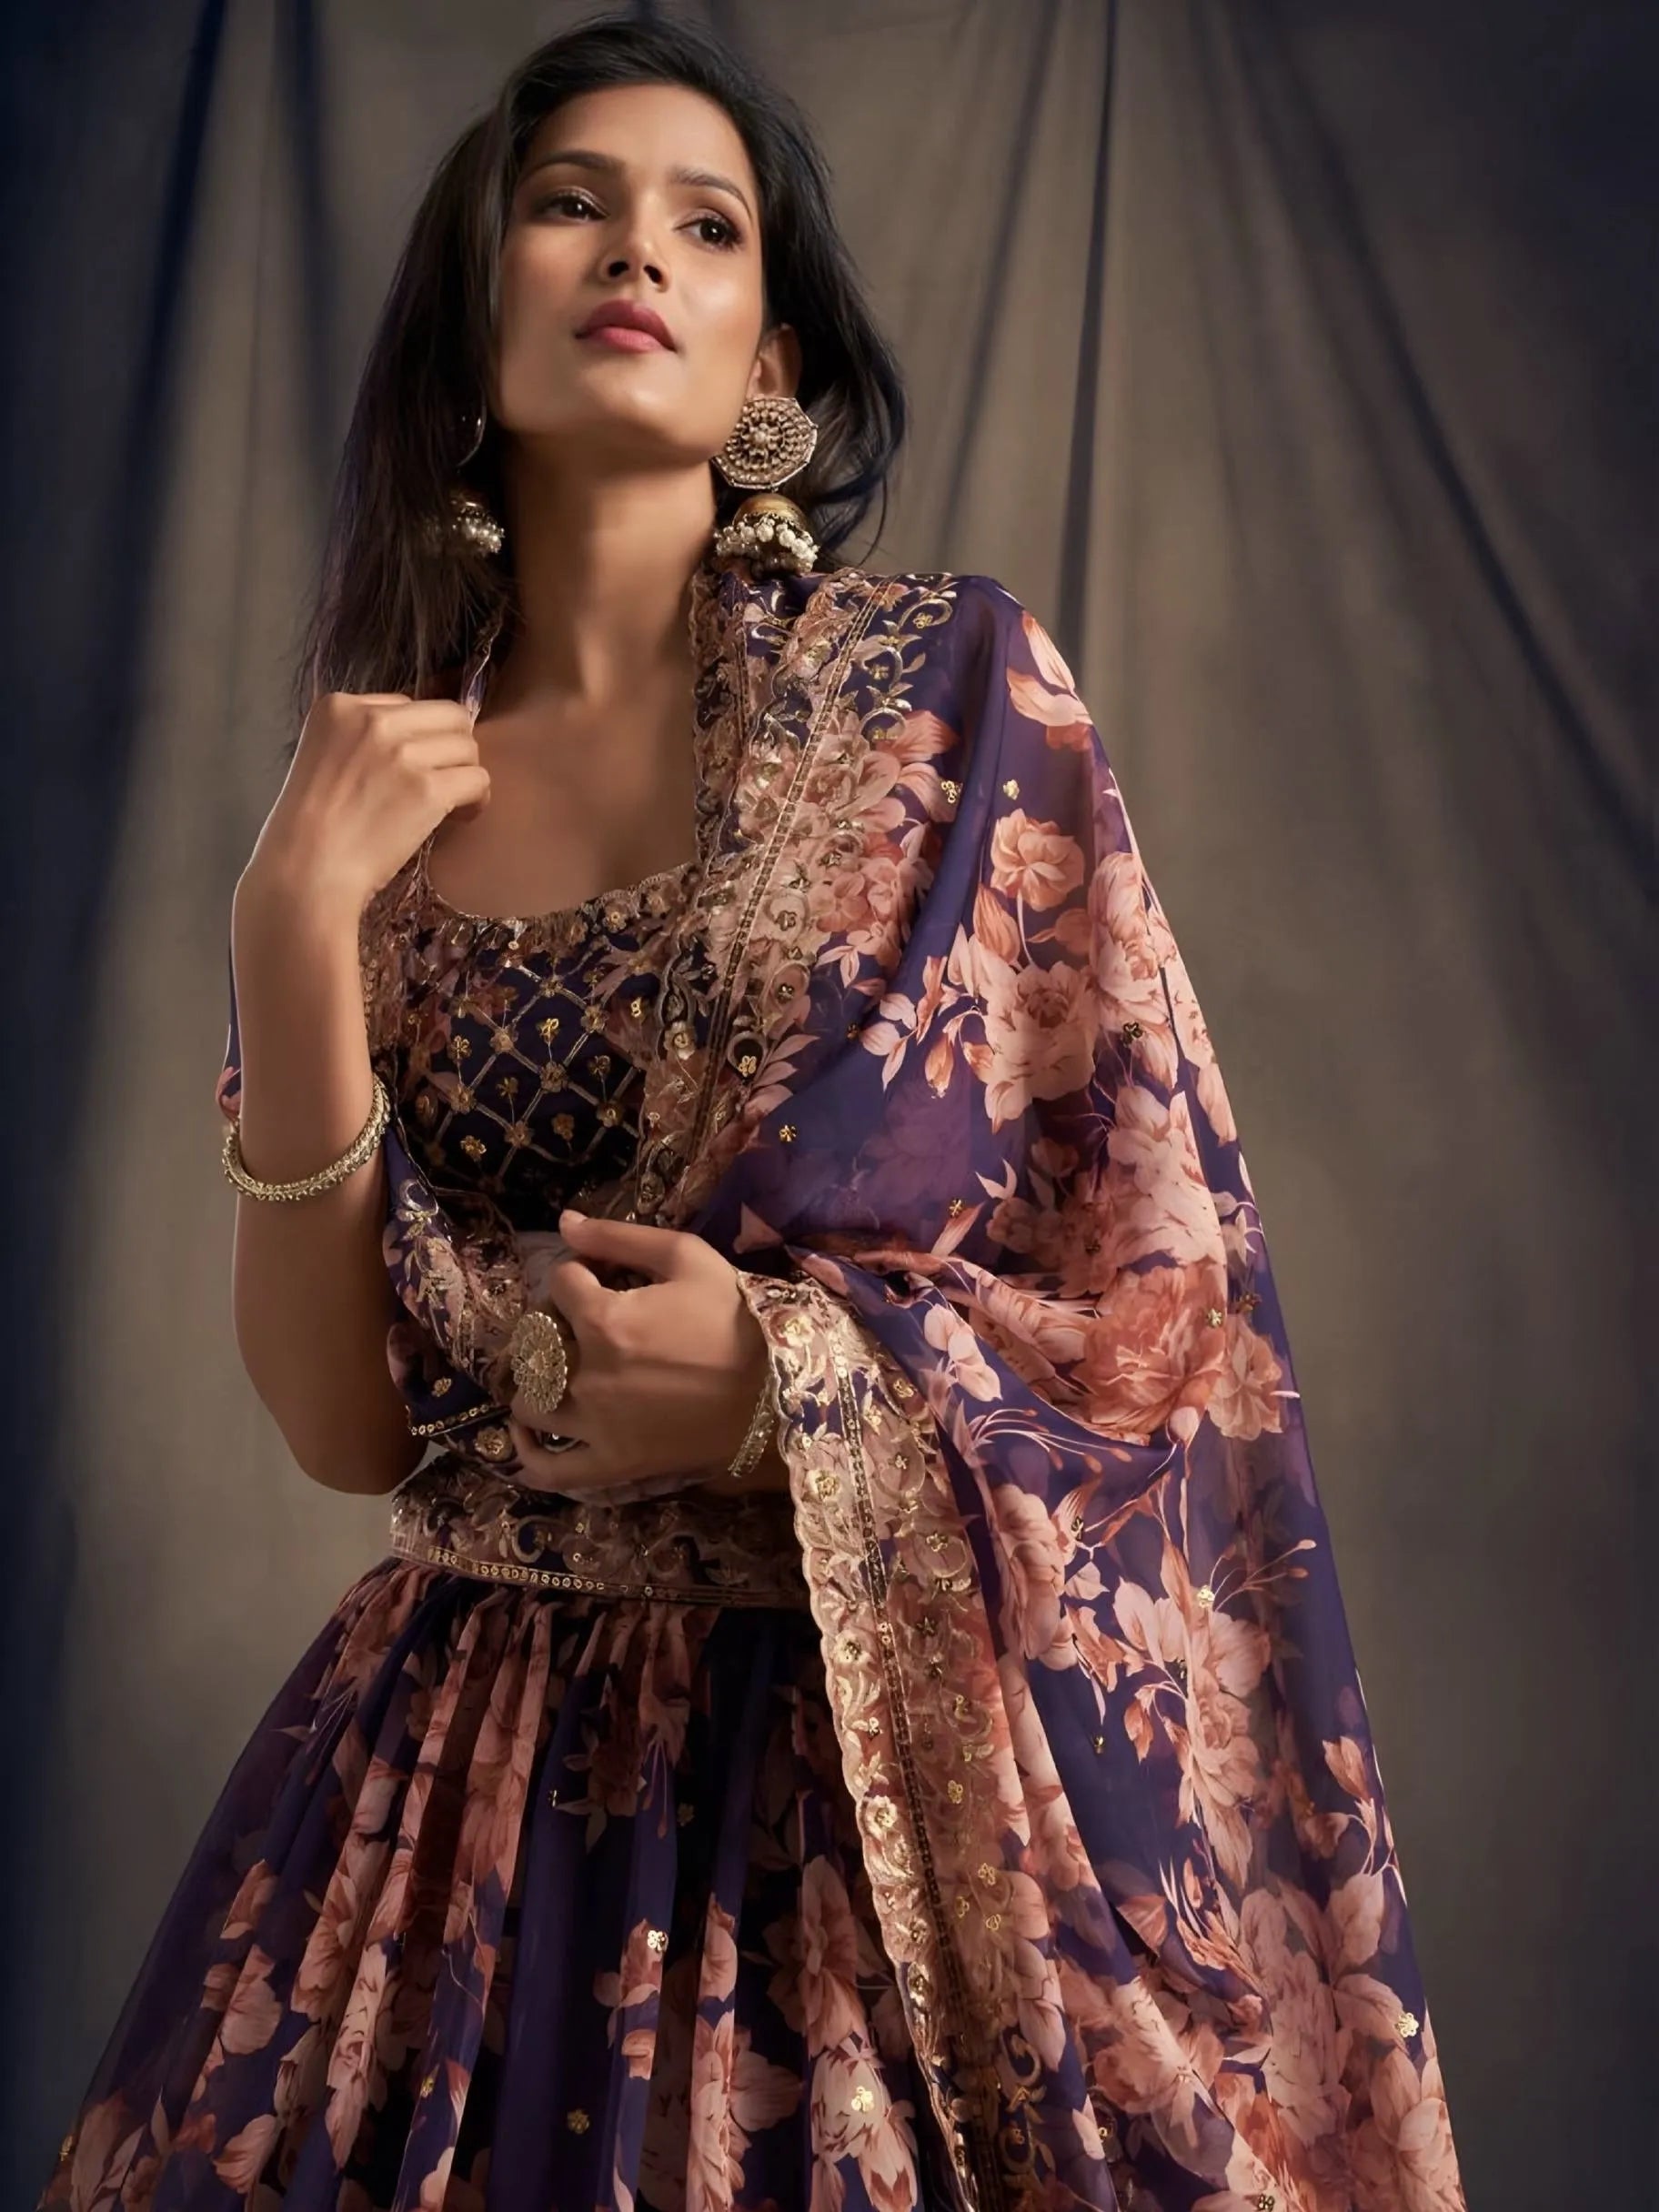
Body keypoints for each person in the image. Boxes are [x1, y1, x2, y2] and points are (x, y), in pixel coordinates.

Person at [41, 15, 1465, 2212]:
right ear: (475, 310)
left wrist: (785, 1391)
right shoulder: (364, 815)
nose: (640, 248)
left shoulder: (952, 711)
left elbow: (1168, 1328)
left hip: (853, 1819)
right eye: (570, 199)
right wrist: (283, 930)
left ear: (765, 361)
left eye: (706, 224)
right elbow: (343, 1425)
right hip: (464, 1810)